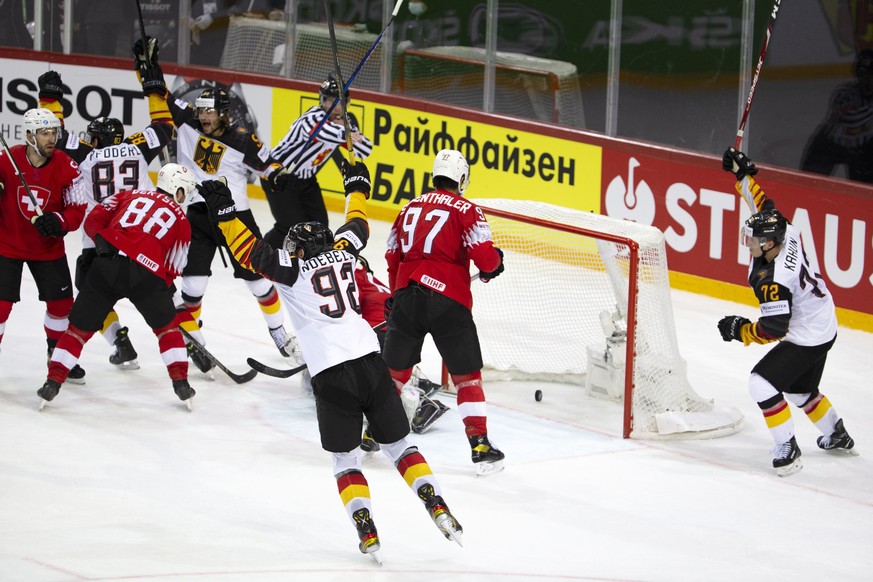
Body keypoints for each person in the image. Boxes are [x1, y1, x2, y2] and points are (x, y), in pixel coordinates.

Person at [199, 160, 462, 561]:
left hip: (330, 374)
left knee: (345, 459)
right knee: (400, 447)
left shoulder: (293, 268)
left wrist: (222, 209)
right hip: (372, 364)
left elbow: (246, 248)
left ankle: (367, 529)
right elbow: (358, 222)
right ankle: (436, 504)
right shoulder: (345, 253)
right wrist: (356, 185)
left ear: (302, 249)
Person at [133, 38, 300, 370]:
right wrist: (147, 69)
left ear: (224, 113)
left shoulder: (243, 139)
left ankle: (280, 333)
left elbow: (269, 165)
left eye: (210, 111)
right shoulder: (188, 122)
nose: (204, 115)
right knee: (193, 285)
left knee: (259, 281)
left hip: (236, 217)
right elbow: (159, 92)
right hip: (197, 215)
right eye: (202, 109)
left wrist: (279, 177)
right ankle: (195, 339)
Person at [719, 147, 857, 477]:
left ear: (769, 244)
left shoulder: (773, 279)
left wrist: (740, 331)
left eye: (753, 240)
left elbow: (774, 329)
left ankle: (788, 447)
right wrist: (744, 175)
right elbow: (763, 205)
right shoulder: (786, 230)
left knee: (761, 384)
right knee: (798, 389)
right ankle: (836, 432)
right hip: (824, 321)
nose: (748, 243)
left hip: (807, 334)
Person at [37, 64, 177, 371]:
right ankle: (187, 339)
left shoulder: (86, 153)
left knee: (92, 296)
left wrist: (50, 99)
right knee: (158, 294)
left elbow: (53, 132)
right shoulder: (137, 149)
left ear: (97, 139)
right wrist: (154, 90)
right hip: (142, 238)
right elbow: (165, 126)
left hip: (99, 241)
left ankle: (120, 342)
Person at [382, 149, 506, 477]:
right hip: (448, 298)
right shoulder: (467, 210)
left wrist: (397, 294)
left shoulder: (408, 207)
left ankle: (371, 433)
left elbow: (393, 255)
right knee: (466, 378)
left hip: (407, 293)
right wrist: (495, 263)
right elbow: (485, 257)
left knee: (394, 374)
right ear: (462, 179)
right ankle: (479, 444)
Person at [37, 163, 196, 411]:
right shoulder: (183, 222)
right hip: (146, 274)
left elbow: (94, 218)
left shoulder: (130, 194)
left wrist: (102, 239)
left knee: (76, 331)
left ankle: (52, 382)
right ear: (178, 191)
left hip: (107, 265)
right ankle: (181, 383)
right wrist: (162, 290)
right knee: (167, 330)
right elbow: (174, 267)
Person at [0, 108, 88, 380]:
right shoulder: (7, 159)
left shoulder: (67, 166)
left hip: (47, 249)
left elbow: (78, 208)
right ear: (29, 135)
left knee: (62, 306)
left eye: (54, 132)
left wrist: (59, 221)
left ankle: (56, 354)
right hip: (7, 245)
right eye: (44, 133)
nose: (51, 138)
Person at [262, 73, 373, 248]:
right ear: (323, 101)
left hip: (307, 181)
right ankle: (259, 255)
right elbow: (321, 131)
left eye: (341, 102)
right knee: (290, 226)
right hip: (279, 175)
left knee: (320, 227)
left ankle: (310, 264)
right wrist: (345, 133)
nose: (337, 108)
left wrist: (349, 132)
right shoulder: (312, 117)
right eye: (332, 102)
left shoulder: (346, 121)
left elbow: (365, 149)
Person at [800, 49, 873, 183]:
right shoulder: (845, 92)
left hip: (863, 149)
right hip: (829, 145)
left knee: (864, 193)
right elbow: (852, 119)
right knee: (808, 184)